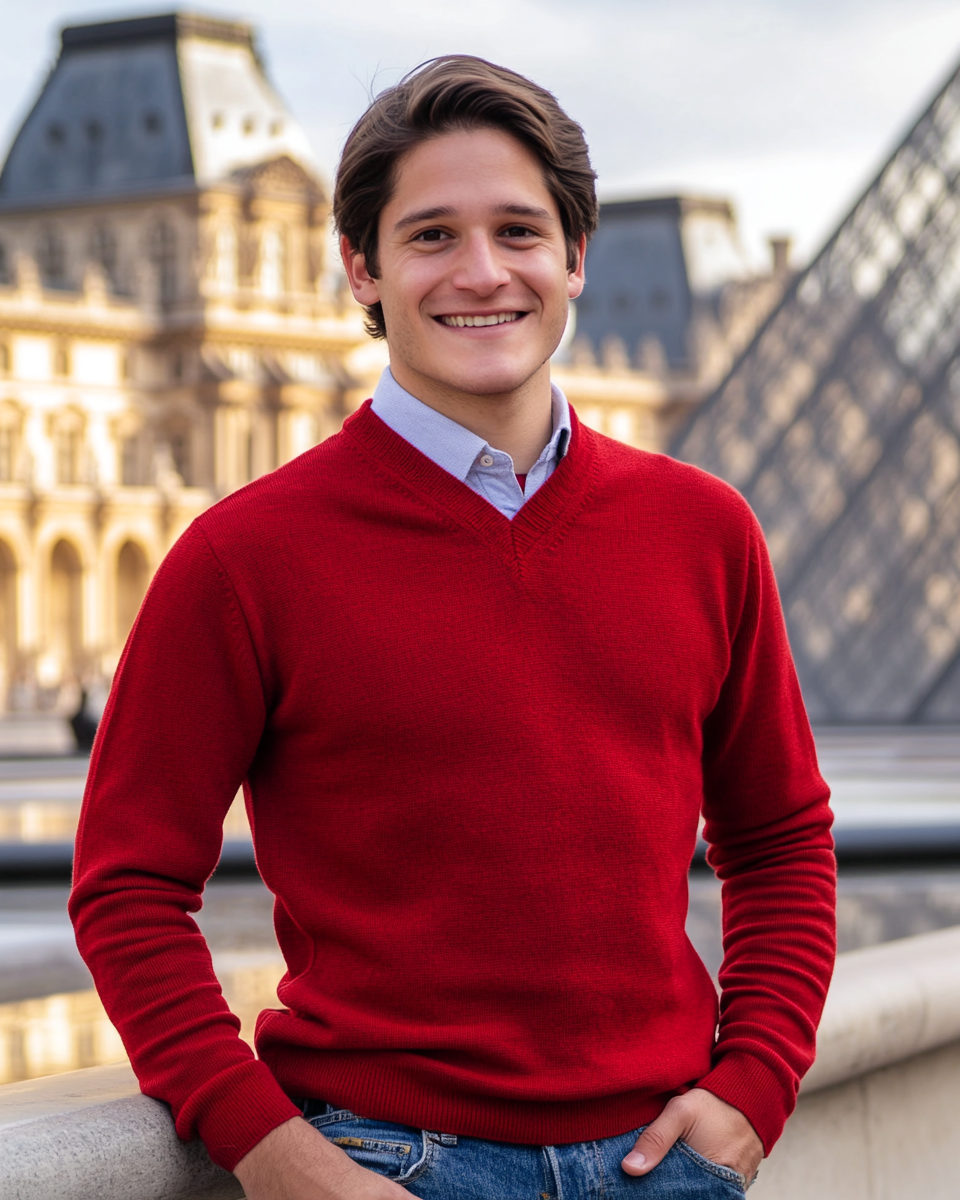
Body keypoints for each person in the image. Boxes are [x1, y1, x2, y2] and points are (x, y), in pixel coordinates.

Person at [70, 56, 836, 1200]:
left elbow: (779, 841)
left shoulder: (705, 531)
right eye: (431, 236)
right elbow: (126, 889)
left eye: (519, 232)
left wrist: (755, 1085)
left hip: (664, 1166)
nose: (483, 273)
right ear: (359, 269)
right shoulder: (242, 560)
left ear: (577, 256)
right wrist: (282, 1162)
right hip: (389, 1167)